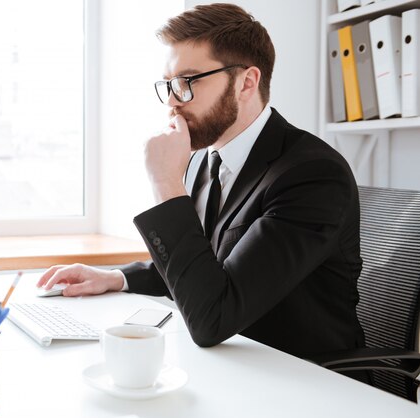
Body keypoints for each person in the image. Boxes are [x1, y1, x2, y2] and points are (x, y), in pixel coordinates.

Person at [37, 3, 365, 361]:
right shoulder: (203, 160)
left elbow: (214, 315)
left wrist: (165, 183)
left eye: (188, 82)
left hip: (308, 381)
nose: (173, 102)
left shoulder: (312, 175)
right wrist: (115, 277)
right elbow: (202, 267)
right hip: (233, 365)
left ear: (246, 83)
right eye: (169, 84)